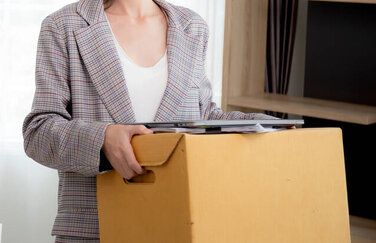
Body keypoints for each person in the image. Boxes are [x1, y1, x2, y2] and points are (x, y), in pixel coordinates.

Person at [22, 0, 274, 242]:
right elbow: (38, 131)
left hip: (177, 222)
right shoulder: (62, 26)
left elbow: (204, 117)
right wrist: (103, 139)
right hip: (95, 229)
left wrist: (268, 125)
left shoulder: (192, 26)